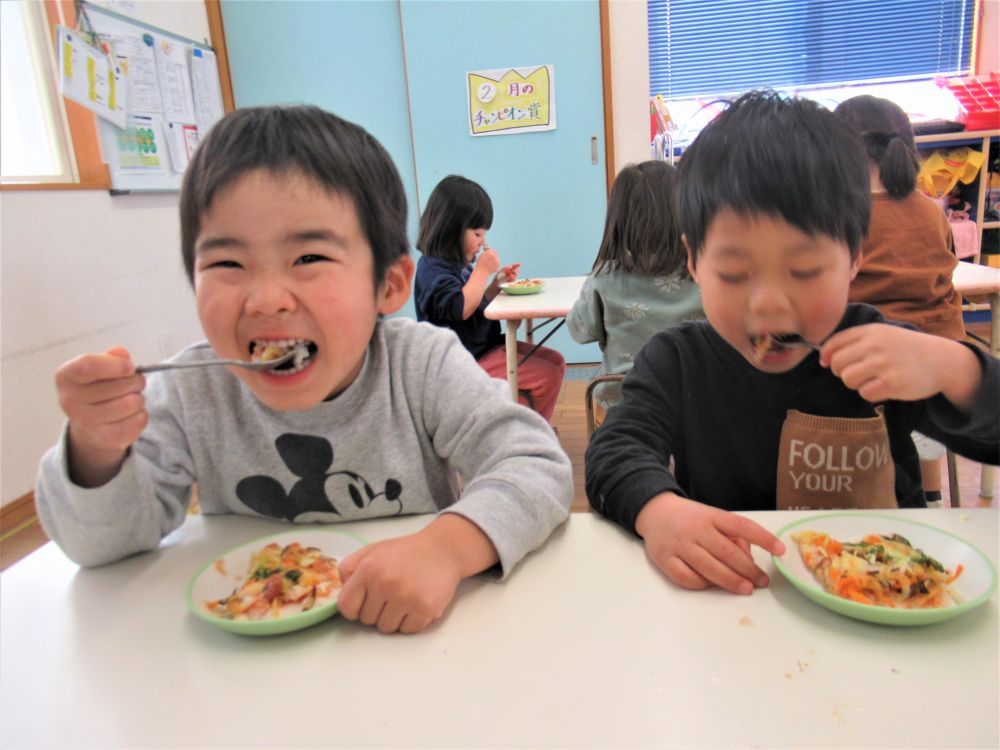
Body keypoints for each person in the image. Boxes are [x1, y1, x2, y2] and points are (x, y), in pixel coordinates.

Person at [35, 106, 573, 634]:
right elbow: (99, 548)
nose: (266, 300)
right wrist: (97, 450)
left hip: (408, 642)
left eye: (309, 259)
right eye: (226, 263)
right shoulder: (192, 389)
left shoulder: (421, 365)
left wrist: (445, 549)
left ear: (387, 285)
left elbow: (537, 465)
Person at [585, 91, 999, 597]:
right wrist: (658, 509)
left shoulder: (884, 352)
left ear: (854, 256)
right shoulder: (677, 361)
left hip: (891, 604)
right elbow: (614, 452)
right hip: (738, 598)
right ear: (693, 261)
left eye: (804, 271)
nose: (769, 305)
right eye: (734, 272)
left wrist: (956, 369)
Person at [834, 94, 966, 502]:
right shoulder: (931, 211)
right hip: (942, 366)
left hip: (870, 378)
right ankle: (934, 495)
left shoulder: (841, 216)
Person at [414, 175, 566, 421]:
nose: (483, 242)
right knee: (544, 375)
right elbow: (460, 306)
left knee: (556, 363)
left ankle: (534, 429)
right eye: (477, 234)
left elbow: (472, 304)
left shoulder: (459, 266)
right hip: (459, 362)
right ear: (451, 230)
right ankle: (520, 434)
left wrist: (494, 286)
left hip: (483, 347)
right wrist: (482, 270)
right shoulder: (432, 268)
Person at [566, 160, 702, 413]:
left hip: (626, 401)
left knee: (600, 382)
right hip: (695, 400)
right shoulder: (704, 271)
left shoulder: (606, 276)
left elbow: (579, 331)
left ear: (618, 219)